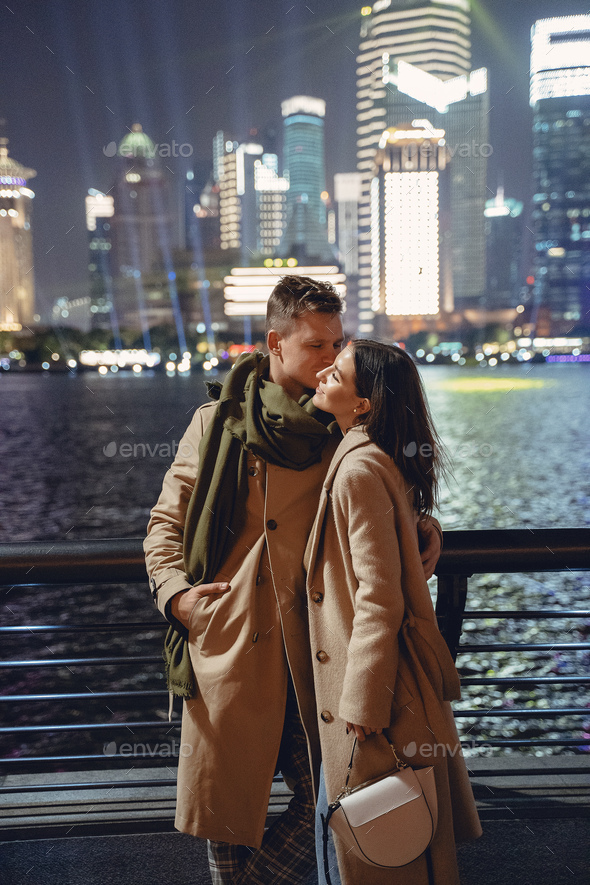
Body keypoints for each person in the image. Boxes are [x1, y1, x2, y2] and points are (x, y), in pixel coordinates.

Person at [144, 278, 443, 885]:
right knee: (226, 821)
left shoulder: (343, 422)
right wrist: (177, 598)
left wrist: (421, 523)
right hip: (229, 648)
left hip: (317, 651)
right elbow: (163, 527)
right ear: (275, 343)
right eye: (316, 345)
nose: (332, 357)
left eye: (338, 342)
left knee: (335, 796)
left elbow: (385, 491)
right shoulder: (216, 424)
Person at [305, 340, 482, 885]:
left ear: (362, 404)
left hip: (376, 694)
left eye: (334, 373)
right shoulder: (376, 458)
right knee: (385, 830)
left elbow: (379, 593)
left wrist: (362, 697)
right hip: (397, 682)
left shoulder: (358, 470)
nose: (320, 373)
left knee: (371, 836)